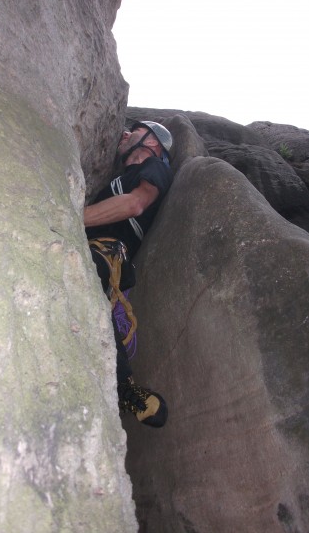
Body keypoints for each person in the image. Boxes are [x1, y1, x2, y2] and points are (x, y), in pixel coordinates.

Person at [84, 120, 174, 427]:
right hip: (90, 245)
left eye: (133, 131)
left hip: (105, 252)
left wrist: (72, 216)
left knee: (87, 280)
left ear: (152, 144)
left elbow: (136, 203)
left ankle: (125, 387)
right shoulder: (119, 178)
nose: (124, 133)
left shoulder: (156, 168)